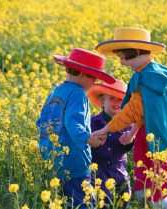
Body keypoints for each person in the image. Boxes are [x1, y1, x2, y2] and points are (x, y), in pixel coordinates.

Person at [92, 27, 167, 209]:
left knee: (156, 197)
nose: (122, 63)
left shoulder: (150, 77)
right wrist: (132, 133)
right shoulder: (146, 74)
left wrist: (104, 130)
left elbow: (132, 111)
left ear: (137, 52)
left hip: (160, 143)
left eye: (123, 57)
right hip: (148, 138)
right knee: (143, 193)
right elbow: (147, 112)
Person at [36, 48, 116, 209]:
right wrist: (89, 139)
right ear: (82, 74)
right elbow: (73, 123)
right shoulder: (78, 94)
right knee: (84, 203)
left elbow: (41, 122)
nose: (94, 83)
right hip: (74, 162)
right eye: (93, 78)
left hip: (52, 160)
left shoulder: (56, 92)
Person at [87, 79, 133, 209]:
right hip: (98, 173)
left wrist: (129, 140)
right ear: (102, 102)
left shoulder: (129, 125)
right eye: (112, 98)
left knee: (123, 203)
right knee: (103, 204)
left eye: (121, 99)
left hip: (119, 173)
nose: (117, 102)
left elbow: (129, 147)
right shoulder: (91, 122)